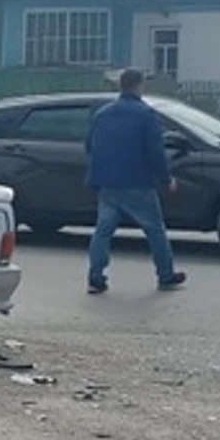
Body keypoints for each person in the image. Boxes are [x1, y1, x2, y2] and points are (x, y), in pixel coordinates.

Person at [84, 68, 186, 295]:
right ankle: (166, 274)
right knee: (155, 229)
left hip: (107, 183)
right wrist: (166, 178)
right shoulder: (146, 115)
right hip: (138, 183)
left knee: (103, 229)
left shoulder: (102, 114)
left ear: (121, 85)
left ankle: (95, 276)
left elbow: (90, 146)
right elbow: (155, 152)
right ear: (140, 86)